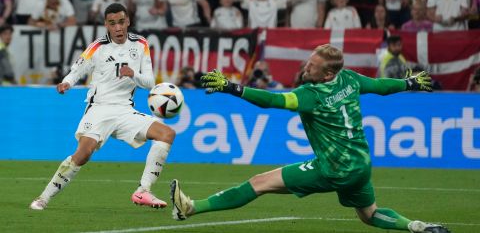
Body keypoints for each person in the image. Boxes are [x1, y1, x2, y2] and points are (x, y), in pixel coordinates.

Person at [170, 44, 450, 233]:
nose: (307, 68)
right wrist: (409, 83)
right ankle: (418, 226)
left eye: (313, 66)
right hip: (360, 164)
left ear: (328, 72)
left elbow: (271, 100)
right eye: (309, 62)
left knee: (259, 183)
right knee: (369, 214)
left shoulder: (310, 95)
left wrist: (232, 87)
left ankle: (191, 208)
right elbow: (381, 86)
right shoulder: (350, 79)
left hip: (333, 169)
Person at [29, 3, 176, 211]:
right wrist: (67, 83)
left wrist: (133, 74)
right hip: (99, 109)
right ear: (106, 25)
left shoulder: (141, 44)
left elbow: (150, 82)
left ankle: (143, 190)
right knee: (83, 154)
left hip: (125, 110)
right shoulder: (97, 47)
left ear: (128, 22)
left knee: (167, 134)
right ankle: (43, 198)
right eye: (112, 23)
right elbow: (77, 70)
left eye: (121, 22)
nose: (118, 28)